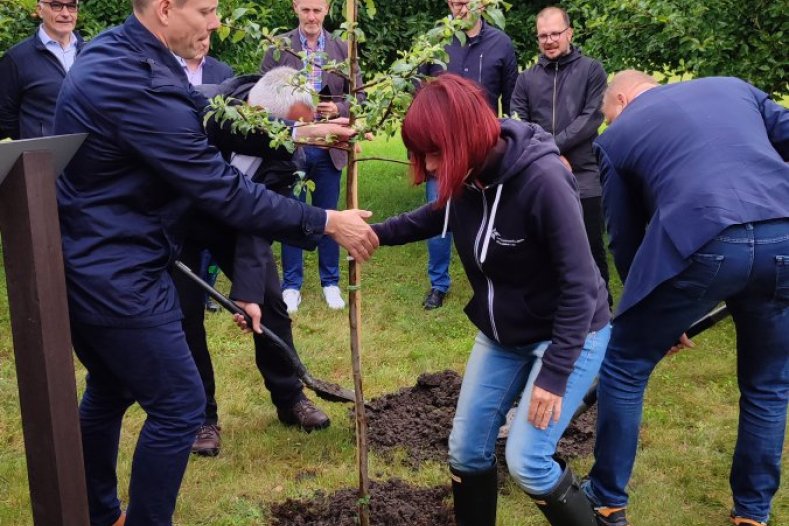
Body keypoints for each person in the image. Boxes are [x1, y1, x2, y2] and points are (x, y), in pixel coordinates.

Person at [53, 0, 378, 524]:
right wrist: (327, 222)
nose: (215, 23)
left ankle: (99, 511)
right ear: (164, 9)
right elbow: (224, 191)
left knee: (110, 388)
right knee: (180, 405)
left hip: (107, 255)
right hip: (115, 271)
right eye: (205, 10)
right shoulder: (136, 81)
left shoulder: (126, 52)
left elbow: (206, 116)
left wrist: (295, 133)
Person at [372, 74, 611, 526]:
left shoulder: (542, 180)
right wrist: (374, 234)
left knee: (529, 463)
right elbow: (435, 215)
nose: (429, 164)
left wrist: (554, 375)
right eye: (422, 153)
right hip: (504, 335)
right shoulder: (469, 177)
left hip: (569, 333)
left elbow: (581, 284)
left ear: (464, 138)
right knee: (465, 449)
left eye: (436, 152)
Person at [582, 71, 789, 526]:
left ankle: (607, 500)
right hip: (783, 237)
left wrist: (648, 306)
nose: (606, 123)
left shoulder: (617, 138)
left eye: (605, 115)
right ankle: (753, 515)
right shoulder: (735, 88)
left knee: (624, 365)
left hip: (703, 240)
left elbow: (625, 238)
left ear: (620, 97)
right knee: (768, 384)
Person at [178, 67, 331, 458]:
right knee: (185, 315)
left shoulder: (286, 155)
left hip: (237, 224)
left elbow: (258, 222)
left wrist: (247, 294)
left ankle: (289, 397)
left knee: (269, 300)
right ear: (257, 115)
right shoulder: (209, 108)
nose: (292, 143)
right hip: (180, 221)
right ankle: (200, 417)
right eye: (285, 130)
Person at [260, 0, 366, 314]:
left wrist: (340, 110)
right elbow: (263, 96)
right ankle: (291, 285)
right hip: (292, 149)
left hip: (329, 147)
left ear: (327, 10)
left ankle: (329, 281)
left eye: (317, 10)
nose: (311, 16)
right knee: (292, 214)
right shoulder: (278, 48)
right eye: (305, 9)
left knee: (330, 215)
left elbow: (359, 95)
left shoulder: (342, 48)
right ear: (295, 8)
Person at [417, 0, 518, 310]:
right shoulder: (434, 41)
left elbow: (512, 99)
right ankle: (438, 284)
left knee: (497, 217)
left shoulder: (501, 43)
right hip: (443, 149)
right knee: (439, 215)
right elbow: (418, 91)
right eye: (456, 1)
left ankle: (500, 280)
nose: (461, 7)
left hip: (486, 150)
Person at [510, 6, 612, 308]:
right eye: (543, 35)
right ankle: (554, 310)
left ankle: (602, 310)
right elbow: (519, 125)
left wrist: (551, 148)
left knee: (591, 246)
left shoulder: (592, 70)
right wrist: (549, 157)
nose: (550, 40)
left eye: (555, 33)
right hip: (539, 175)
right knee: (542, 247)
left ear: (569, 33)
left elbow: (592, 117)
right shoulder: (526, 80)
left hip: (584, 173)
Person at [176, 46, 234, 313]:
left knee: (213, 243)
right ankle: (188, 296)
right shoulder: (166, 69)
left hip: (212, 167)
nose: (204, 38)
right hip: (178, 173)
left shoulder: (222, 72)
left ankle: (206, 290)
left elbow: (231, 122)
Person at [0, 0, 83, 139]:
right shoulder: (17, 58)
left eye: (71, 6)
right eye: (56, 6)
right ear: (39, 10)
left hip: (88, 153)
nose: (65, 13)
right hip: (43, 156)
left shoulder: (90, 53)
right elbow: (5, 115)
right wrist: (33, 140)